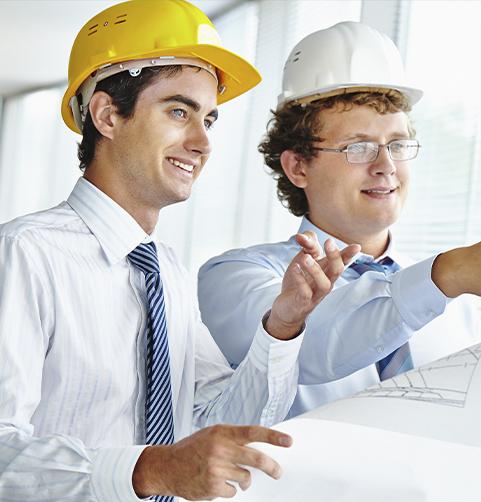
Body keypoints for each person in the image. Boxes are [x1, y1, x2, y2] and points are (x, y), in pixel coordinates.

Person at [198, 22, 481, 501]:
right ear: (298, 166)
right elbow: (318, 347)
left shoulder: (455, 303)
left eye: (399, 144)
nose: (386, 165)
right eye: (358, 146)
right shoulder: (238, 276)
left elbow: (462, 448)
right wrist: (450, 274)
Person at [0, 2, 359, 501]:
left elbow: (220, 423)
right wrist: (152, 471)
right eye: (178, 111)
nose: (202, 142)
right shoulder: (23, 254)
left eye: (209, 119)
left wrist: (282, 325)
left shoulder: (163, 270)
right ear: (107, 114)